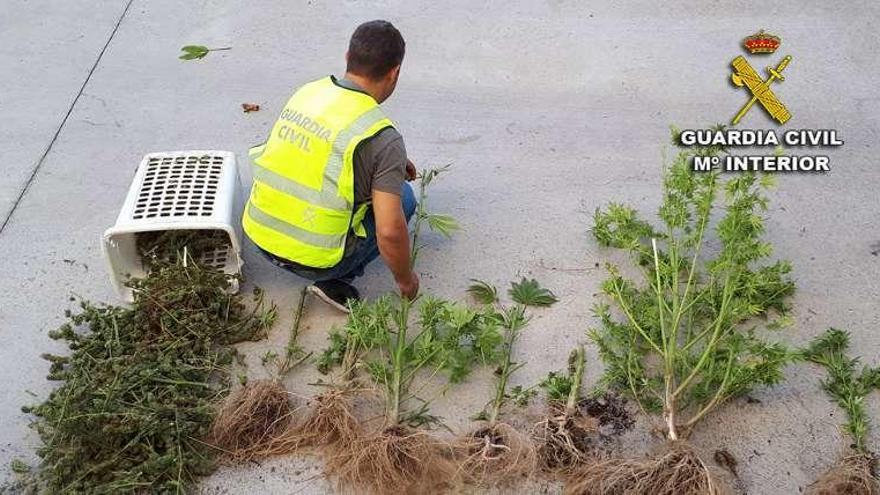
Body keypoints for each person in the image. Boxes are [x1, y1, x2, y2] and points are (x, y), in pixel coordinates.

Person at [242, 20, 419, 313]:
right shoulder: (383, 138)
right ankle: (334, 280)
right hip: (314, 261)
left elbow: (309, 151)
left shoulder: (309, 92)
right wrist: (406, 281)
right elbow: (389, 231)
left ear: (347, 58)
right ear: (394, 73)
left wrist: (391, 163)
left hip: (260, 238)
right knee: (405, 199)